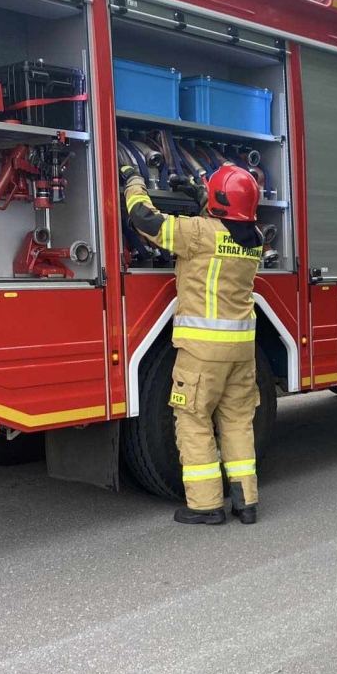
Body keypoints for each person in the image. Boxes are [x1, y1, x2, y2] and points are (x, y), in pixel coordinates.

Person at [121, 162, 264, 525]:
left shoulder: (199, 233)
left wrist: (133, 181)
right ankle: (246, 503)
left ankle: (205, 506)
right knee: (236, 422)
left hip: (203, 352)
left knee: (193, 420)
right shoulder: (256, 240)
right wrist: (198, 192)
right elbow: (227, 220)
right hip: (242, 351)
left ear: (217, 200)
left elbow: (145, 219)